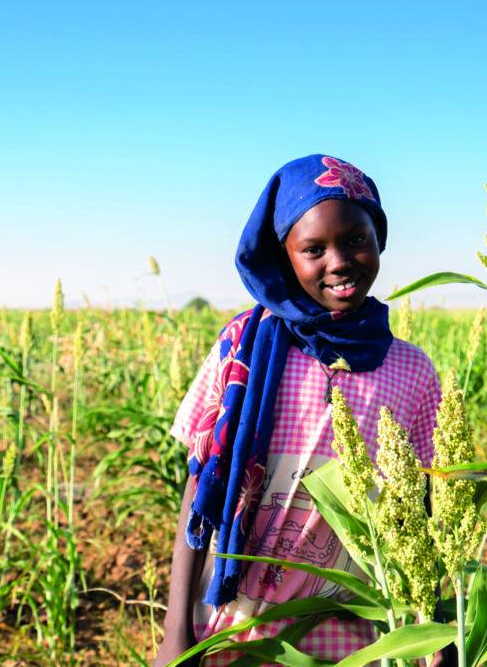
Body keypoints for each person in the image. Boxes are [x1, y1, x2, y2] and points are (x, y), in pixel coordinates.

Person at [153, 154, 444, 667]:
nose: (339, 261)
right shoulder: (244, 348)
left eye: (356, 238)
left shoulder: (411, 370)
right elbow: (202, 486)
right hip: (236, 620)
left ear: (379, 239)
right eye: (314, 249)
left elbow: (420, 507)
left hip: (349, 629)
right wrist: (176, 632)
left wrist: (435, 627)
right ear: (286, 259)